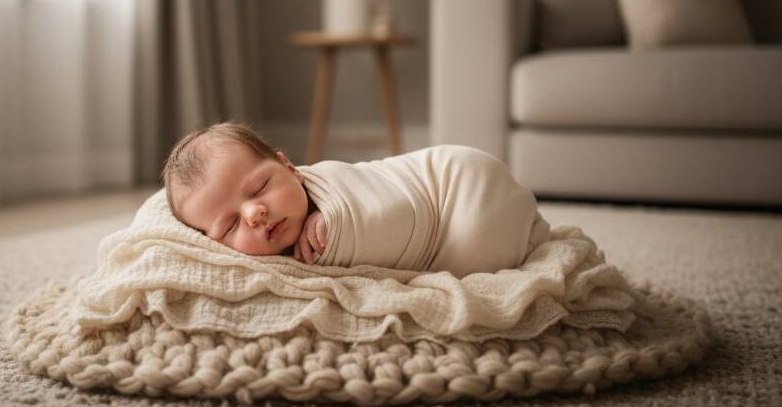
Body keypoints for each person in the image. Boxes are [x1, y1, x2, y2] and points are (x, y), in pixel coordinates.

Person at [162, 122, 549, 278]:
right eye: (229, 225)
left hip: (459, 188)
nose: (254, 213)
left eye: (260, 187)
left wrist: (339, 224)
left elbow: (401, 209)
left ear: (289, 166)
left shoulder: (333, 183)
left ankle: (523, 242)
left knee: (477, 255)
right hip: (454, 206)